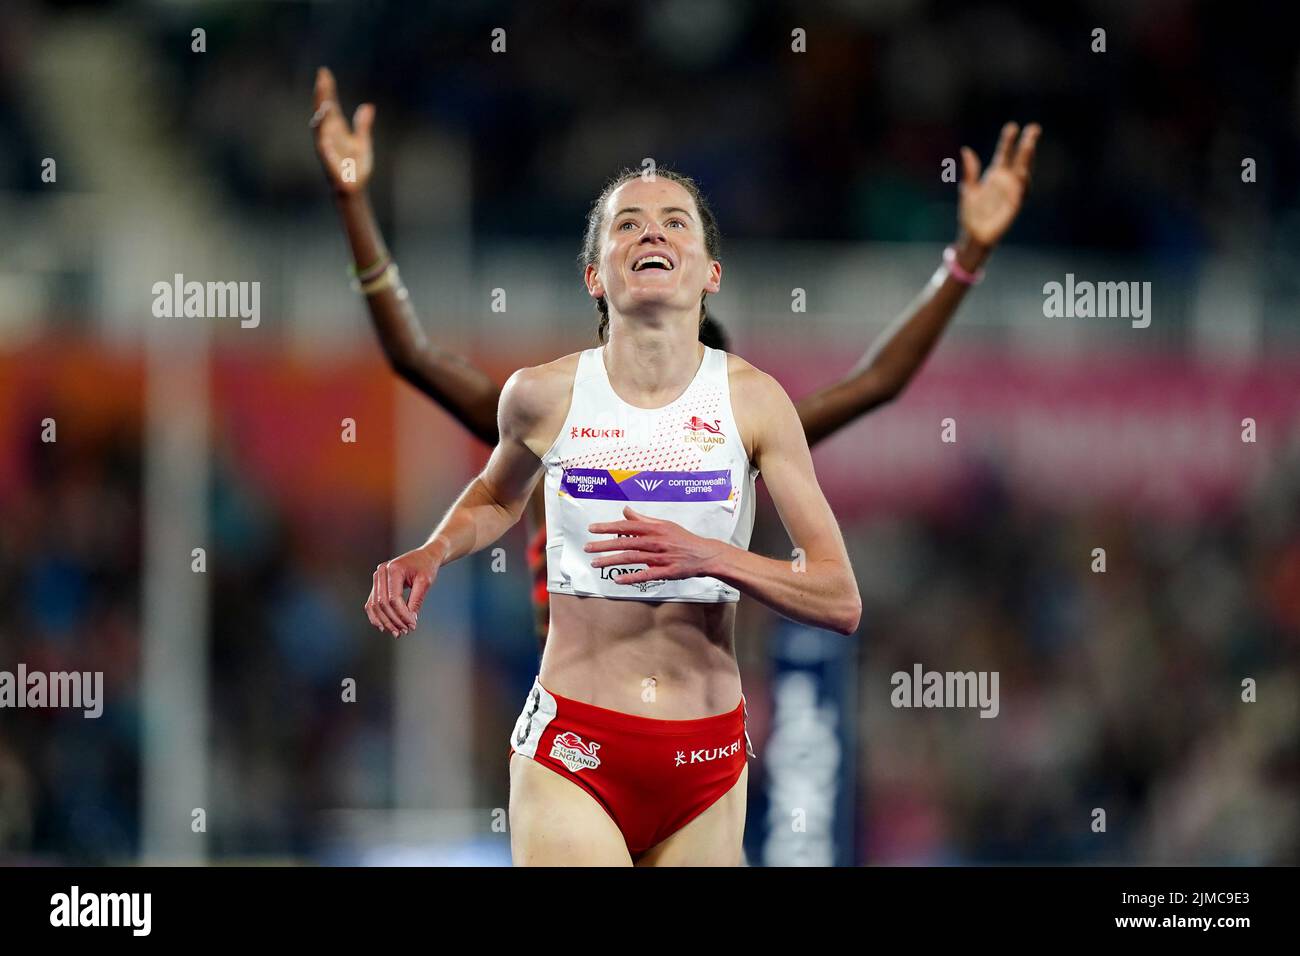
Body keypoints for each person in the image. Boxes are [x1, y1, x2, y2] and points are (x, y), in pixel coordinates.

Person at [308, 67, 1042, 652]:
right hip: (572, 689)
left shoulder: (743, 421)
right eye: (630, 224)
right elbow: (412, 353)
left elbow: (877, 383)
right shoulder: (550, 411)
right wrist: (352, 201)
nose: (678, 404)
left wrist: (968, 257)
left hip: (692, 698)